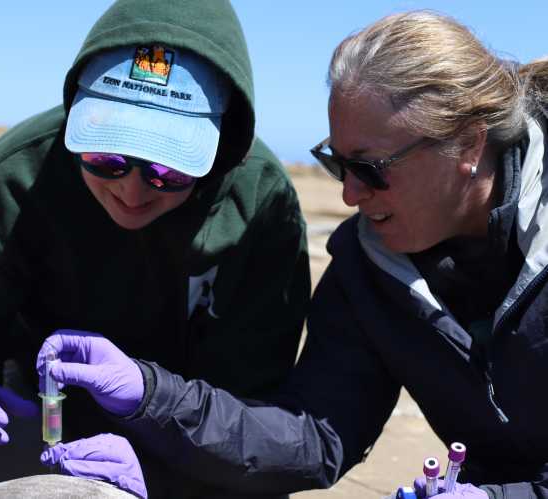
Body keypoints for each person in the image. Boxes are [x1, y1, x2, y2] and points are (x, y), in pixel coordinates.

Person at [40, 10, 548, 498]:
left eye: (371, 168)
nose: (350, 195)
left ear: (467, 146)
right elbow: (314, 438)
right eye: (337, 164)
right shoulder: (368, 267)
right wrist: (150, 395)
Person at [0, 0, 311, 498]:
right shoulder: (14, 177)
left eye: (170, 170)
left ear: (222, 149)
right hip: (41, 420)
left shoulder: (261, 205)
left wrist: (161, 471)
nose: (133, 191)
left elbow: (255, 408)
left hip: (190, 443)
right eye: (106, 158)